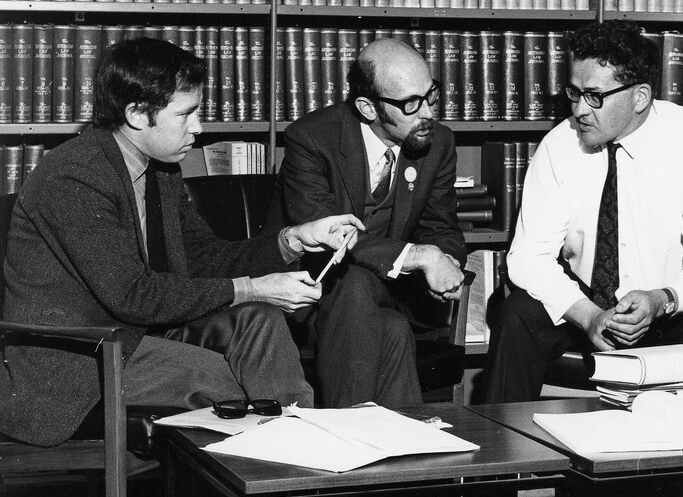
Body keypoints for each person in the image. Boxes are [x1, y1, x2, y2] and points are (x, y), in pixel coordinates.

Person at [0, 37, 362, 447]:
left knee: (261, 321)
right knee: (229, 383)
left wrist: (291, 241)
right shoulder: (74, 176)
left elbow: (205, 258)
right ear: (137, 114)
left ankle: (303, 454)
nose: (199, 127)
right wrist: (253, 288)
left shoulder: (160, 169)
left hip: (140, 334)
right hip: (80, 358)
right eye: (186, 114)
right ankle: (282, 459)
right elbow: (132, 295)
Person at [480, 20, 683, 403]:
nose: (579, 110)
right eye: (574, 93)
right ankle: (501, 440)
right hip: (585, 310)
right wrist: (588, 315)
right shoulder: (558, 145)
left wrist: (662, 299)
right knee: (516, 315)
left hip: (667, 309)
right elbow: (527, 257)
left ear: (640, 97)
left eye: (594, 96)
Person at [281, 38, 466, 408]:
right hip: (315, 296)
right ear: (368, 107)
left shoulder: (438, 143)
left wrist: (446, 262)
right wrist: (421, 257)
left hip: (395, 292)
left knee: (375, 304)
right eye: (411, 103)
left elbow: (442, 228)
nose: (428, 113)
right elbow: (331, 235)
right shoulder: (312, 139)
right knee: (386, 322)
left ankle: (357, 433)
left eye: (431, 95)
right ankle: (382, 436)